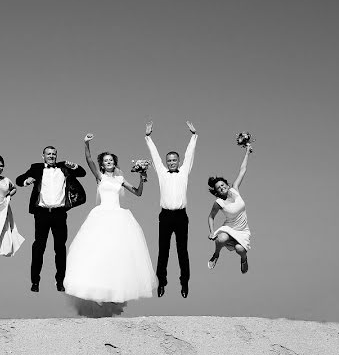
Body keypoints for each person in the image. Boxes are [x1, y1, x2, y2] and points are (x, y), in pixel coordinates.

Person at [62, 133, 158, 303]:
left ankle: (115, 293)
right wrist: (86, 143)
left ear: (115, 163)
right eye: (106, 161)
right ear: (102, 164)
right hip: (101, 216)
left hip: (119, 217)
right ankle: (97, 291)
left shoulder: (120, 179)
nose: (109, 162)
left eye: (111, 160)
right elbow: (89, 160)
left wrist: (142, 178)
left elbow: (138, 193)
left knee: (118, 253)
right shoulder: (100, 176)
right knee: (98, 252)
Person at [15, 146, 87, 292]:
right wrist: (26, 180)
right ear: (43, 156)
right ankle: (35, 282)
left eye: (54, 154)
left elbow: (82, 173)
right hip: (41, 213)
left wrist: (74, 165)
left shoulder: (64, 167)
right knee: (38, 247)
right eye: (48, 154)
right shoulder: (36, 168)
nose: (51, 156)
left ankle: (60, 281)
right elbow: (18, 180)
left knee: (60, 248)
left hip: (59, 213)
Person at [145, 120, 197, 298]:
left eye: (175, 160)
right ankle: (161, 282)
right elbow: (155, 156)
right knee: (163, 251)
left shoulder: (184, 172)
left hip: (181, 216)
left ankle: (184, 283)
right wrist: (148, 137)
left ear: (179, 161)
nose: (172, 162)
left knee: (182, 251)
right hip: (165, 216)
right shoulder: (161, 171)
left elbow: (190, 154)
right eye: (169, 160)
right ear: (166, 162)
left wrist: (193, 135)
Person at [206, 143, 252, 274]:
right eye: (218, 188)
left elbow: (242, 170)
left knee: (240, 249)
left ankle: (244, 259)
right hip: (230, 228)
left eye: (222, 185)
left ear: (226, 184)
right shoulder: (219, 202)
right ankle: (216, 255)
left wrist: (247, 153)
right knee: (221, 239)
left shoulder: (235, 189)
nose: (221, 187)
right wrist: (211, 231)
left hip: (243, 230)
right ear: (217, 192)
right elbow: (210, 217)